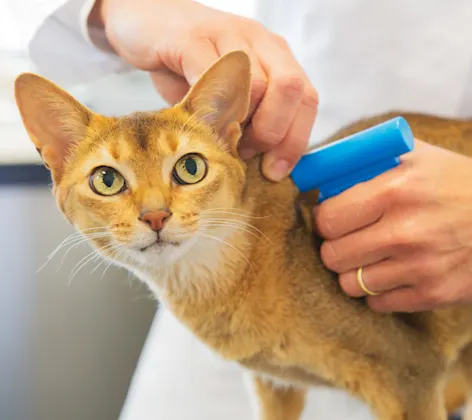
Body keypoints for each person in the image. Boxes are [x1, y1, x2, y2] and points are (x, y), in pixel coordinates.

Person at [12, 0, 472, 418]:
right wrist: (121, 7)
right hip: (260, 189)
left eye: (186, 169)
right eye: (109, 181)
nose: (154, 212)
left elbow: (413, 370)